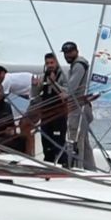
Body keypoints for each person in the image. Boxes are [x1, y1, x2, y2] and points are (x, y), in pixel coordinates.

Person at [61, 41, 95, 170]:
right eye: (65, 53)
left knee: (76, 139)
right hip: (81, 107)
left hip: (78, 108)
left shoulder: (79, 66)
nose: (67, 55)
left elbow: (71, 88)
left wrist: (64, 93)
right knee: (84, 141)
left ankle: (77, 168)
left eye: (70, 52)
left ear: (76, 51)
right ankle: (90, 169)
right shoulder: (78, 65)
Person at [31, 52, 69, 165]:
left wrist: (53, 83)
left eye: (52, 62)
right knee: (46, 139)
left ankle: (62, 162)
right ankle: (48, 161)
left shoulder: (63, 76)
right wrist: (34, 85)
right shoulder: (44, 76)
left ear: (56, 62)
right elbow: (35, 94)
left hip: (59, 114)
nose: (50, 65)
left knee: (58, 139)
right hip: (46, 113)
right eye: (47, 63)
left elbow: (66, 92)